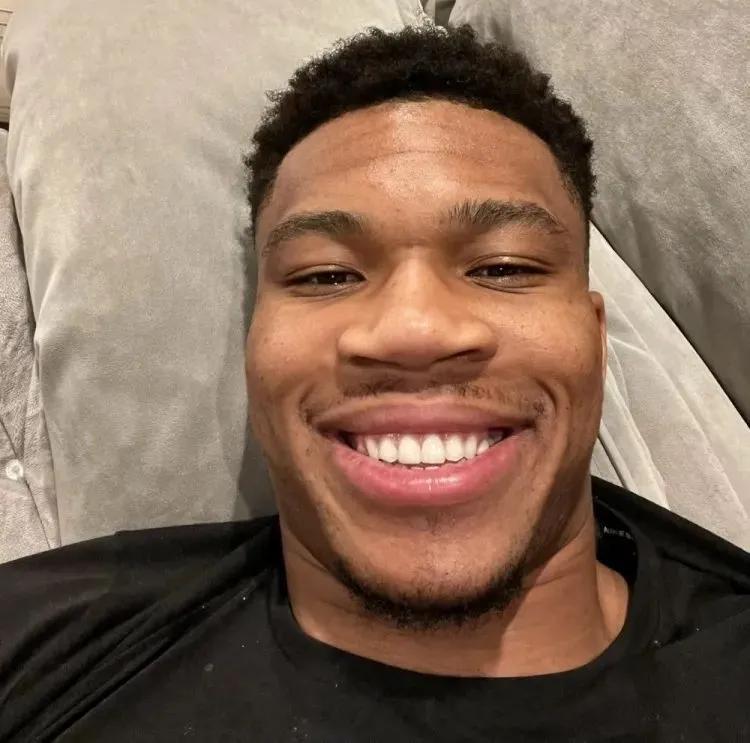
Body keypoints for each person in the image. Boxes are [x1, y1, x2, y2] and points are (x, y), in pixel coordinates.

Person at [1, 23, 748, 743]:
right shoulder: (41, 641)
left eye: (502, 266)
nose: (412, 330)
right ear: (254, 345)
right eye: (325, 275)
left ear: (595, 335)